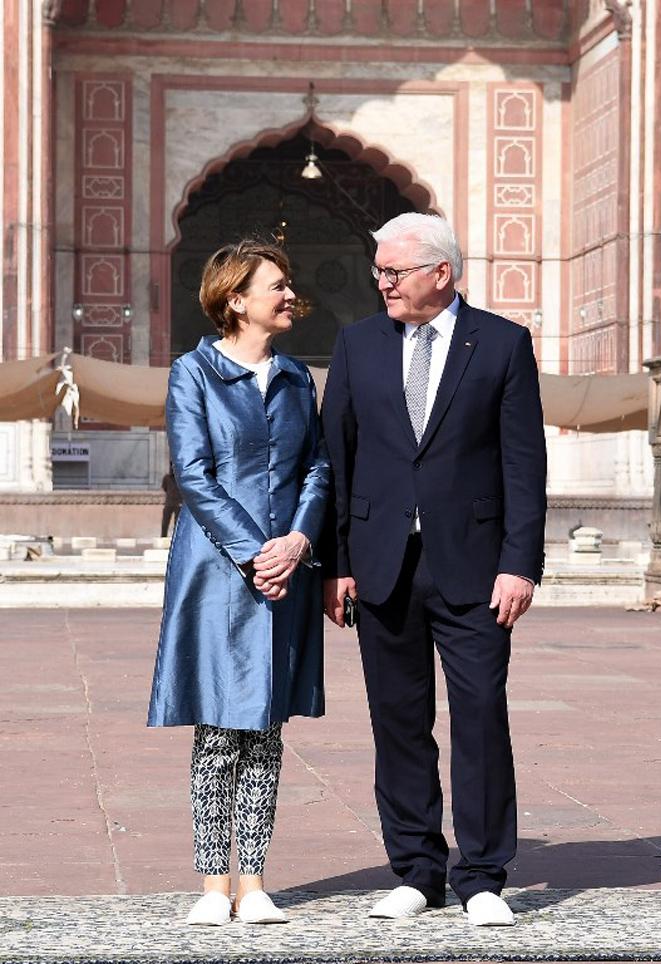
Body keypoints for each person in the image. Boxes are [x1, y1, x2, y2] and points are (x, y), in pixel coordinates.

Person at [321, 213, 546, 926]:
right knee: (398, 720)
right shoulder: (358, 345)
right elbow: (338, 459)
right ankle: (417, 870)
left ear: (439, 274)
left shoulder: (503, 344)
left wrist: (520, 564)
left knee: (480, 715)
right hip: (382, 566)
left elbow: (523, 462)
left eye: (394, 272)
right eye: (379, 272)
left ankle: (481, 875)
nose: (381, 283)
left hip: (477, 570)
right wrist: (338, 564)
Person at [148, 240, 329, 926]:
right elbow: (194, 474)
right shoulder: (193, 373)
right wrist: (258, 553)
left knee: (264, 729)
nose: (289, 295)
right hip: (219, 571)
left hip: (287, 567)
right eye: (276, 285)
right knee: (219, 728)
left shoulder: (294, 379)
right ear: (236, 298)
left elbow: (317, 467)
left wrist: (300, 540)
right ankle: (211, 883)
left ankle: (254, 882)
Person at [160, 463, 182, 537]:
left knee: (177, 523)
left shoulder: (180, 478)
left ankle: (176, 538)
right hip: (169, 503)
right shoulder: (166, 478)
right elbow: (164, 488)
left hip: (179, 503)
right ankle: (163, 536)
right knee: (165, 522)